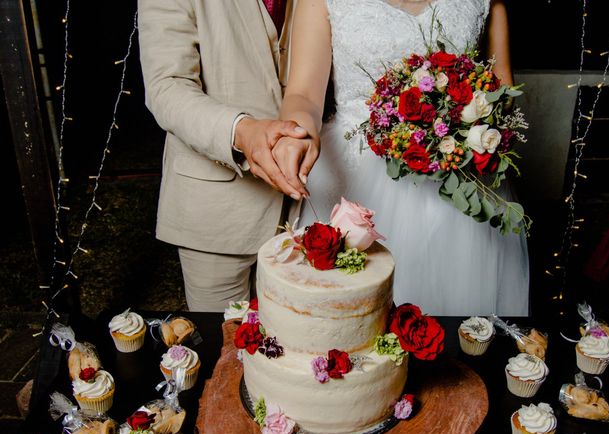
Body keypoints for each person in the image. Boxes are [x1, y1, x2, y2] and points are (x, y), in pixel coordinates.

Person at [275, 0, 530, 316]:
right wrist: (295, 134)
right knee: (351, 324)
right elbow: (303, 94)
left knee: (455, 329)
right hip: (354, 183)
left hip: (455, 181)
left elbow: (502, 84)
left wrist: (459, 118)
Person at [137, 0, 316, 312]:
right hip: (217, 209)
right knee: (226, 350)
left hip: (313, 201)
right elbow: (167, 87)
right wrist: (240, 131)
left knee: (302, 348)